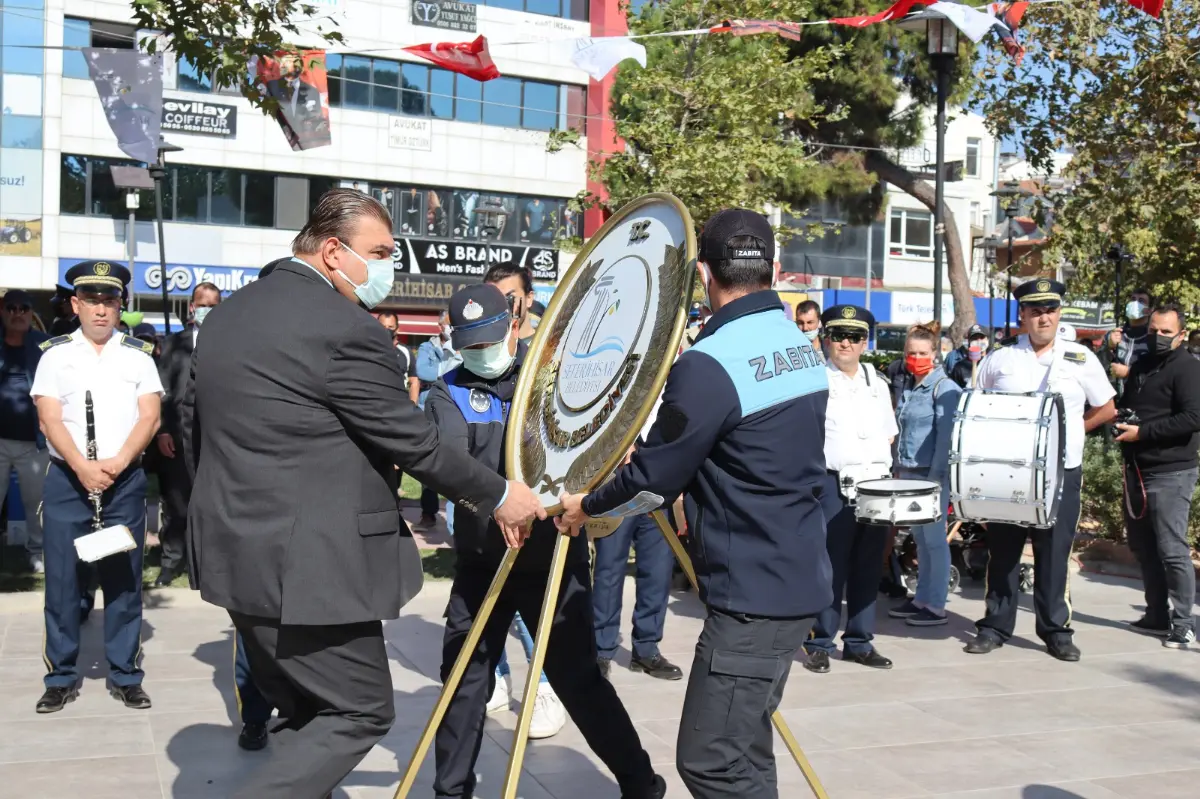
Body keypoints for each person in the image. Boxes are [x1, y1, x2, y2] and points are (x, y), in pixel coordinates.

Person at [185, 189, 544, 798]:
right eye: (378, 252)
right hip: (311, 568)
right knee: (359, 711)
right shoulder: (345, 329)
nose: (388, 269)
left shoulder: (228, 316)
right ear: (331, 251)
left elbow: (199, 431)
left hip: (234, 554)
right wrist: (500, 493)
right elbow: (415, 444)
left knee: (307, 714)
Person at [558, 208, 831, 798]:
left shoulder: (711, 363)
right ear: (774, 268)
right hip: (795, 576)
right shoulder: (799, 345)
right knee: (745, 748)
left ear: (703, 271)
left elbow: (655, 479)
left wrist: (585, 507)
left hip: (754, 594)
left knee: (711, 761)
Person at [426, 284, 662, 797]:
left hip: (552, 557)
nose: (480, 354)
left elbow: (591, 440)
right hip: (483, 562)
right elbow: (450, 466)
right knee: (463, 683)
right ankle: (451, 791)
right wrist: (494, 501)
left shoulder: (555, 378)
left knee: (579, 681)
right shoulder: (448, 391)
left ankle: (641, 782)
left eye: (489, 339)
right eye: (469, 345)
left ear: (515, 323)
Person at [31, 260, 163, 713]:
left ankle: (125, 675)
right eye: (91, 300)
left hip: (122, 480)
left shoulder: (138, 355)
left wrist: (117, 463)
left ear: (120, 304)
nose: (101, 310)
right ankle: (61, 676)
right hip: (69, 480)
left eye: (109, 300)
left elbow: (150, 416)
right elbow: (49, 418)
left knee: (122, 581)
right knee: (64, 584)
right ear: (75, 304)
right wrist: (83, 468)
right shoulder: (54, 355)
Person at [965, 279, 1116, 661]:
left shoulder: (1080, 358)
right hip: (1009, 472)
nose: (1043, 317)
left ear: (1059, 313)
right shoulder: (1000, 359)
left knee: (1053, 553)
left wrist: (1065, 435)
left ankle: (1055, 630)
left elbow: (1106, 407)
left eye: (1049, 310)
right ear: (1023, 316)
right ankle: (995, 626)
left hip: (1060, 472)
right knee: (1004, 552)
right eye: (1035, 311)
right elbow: (977, 405)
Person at [804, 304, 898, 673]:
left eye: (854, 336)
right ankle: (820, 641)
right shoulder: (815, 381)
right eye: (838, 335)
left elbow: (889, 434)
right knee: (829, 567)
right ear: (826, 338)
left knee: (869, 566)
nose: (845, 343)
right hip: (831, 484)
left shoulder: (879, 383)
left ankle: (859, 641)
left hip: (873, 486)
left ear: (865, 342)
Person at [1115, 303, 1200, 649]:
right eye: (1153, 331)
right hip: (1137, 468)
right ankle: (1156, 615)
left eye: (1166, 332)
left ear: (1181, 335)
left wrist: (1144, 432)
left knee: (1171, 548)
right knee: (1143, 546)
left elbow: (1193, 417)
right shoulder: (1141, 365)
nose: (1158, 337)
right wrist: (1121, 422)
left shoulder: (1188, 369)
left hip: (1172, 469)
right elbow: (1131, 407)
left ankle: (1183, 623)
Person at [591, 390, 683, 683]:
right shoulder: (623, 368)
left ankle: (646, 649)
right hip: (617, 484)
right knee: (608, 569)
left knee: (657, 570)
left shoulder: (676, 377)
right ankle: (601, 649)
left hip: (657, 486)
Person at [889, 322, 962, 626]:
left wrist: (936, 480)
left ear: (935, 353)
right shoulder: (911, 387)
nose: (916, 357)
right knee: (919, 538)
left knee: (934, 540)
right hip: (908, 471)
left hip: (930, 476)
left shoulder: (944, 389)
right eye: (911, 352)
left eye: (922, 352)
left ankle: (936, 605)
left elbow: (946, 439)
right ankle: (921, 598)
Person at [153, 282, 220, 586]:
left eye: (214, 305)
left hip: (215, 439)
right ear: (192, 307)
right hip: (177, 438)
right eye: (202, 304)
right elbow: (161, 391)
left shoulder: (229, 342)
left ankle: (205, 565)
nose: (207, 310)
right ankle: (171, 561)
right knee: (176, 501)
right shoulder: (170, 344)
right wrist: (163, 431)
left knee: (210, 503)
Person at [1, 289, 50, 573]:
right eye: (11, 308)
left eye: (23, 308)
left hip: (34, 442)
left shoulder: (44, 346)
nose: (16, 313)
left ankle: (37, 552)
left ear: (31, 313)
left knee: (36, 504)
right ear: (3, 311)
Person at [414, 310, 462, 530]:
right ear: (439, 325)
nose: (450, 329)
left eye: (454, 325)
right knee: (430, 463)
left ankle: (455, 526)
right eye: (447, 324)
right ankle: (428, 513)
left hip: (455, 410)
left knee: (456, 464)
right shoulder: (427, 347)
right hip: (430, 411)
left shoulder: (461, 344)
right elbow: (423, 371)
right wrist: (448, 367)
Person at [1110, 287, 1153, 389]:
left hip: (1140, 399)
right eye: (1133, 299)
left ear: (1150, 310)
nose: (1135, 303)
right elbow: (1096, 364)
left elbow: (1160, 374)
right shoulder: (1115, 334)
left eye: (1141, 301)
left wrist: (1129, 373)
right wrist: (1108, 347)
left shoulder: (1153, 339)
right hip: (1113, 399)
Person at [483, 263, 537, 342]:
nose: (502, 307)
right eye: (493, 300)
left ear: (529, 299)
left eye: (510, 298)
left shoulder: (546, 347)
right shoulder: (480, 350)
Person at [946, 324, 989, 388]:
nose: (979, 341)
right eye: (975, 338)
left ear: (988, 340)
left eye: (982, 338)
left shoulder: (993, 362)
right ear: (969, 341)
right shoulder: (960, 367)